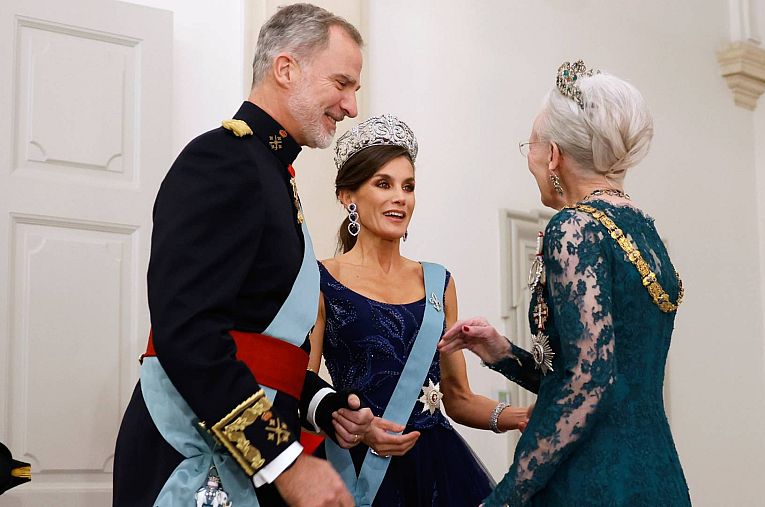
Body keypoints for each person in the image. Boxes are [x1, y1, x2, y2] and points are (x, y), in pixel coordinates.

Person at [113, 5, 376, 506]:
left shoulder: (271, 171)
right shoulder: (222, 160)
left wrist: (324, 405)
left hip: (239, 457)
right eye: (342, 83)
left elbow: (260, 350)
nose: (350, 106)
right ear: (285, 69)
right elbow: (188, 334)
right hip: (191, 459)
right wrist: (285, 461)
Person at [439, 61, 692, 506]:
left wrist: (505, 496)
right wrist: (504, 355)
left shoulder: (574, 228)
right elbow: (604, 376)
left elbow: (590, 381)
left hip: (592, 479)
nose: (531, 159)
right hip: (655, 474)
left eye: (531, 146)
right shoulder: (644, 229)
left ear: (553, 154)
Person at [305, 114, 530, 506]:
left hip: (439, 470)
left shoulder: (438, 283)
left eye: (408, 186)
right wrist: (350, 424)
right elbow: (299, 386)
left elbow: (457, 398)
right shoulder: (319, 279)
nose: (400, 197)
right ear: (347, 197)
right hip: (356, 468)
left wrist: (522, 417)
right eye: (383, 184)